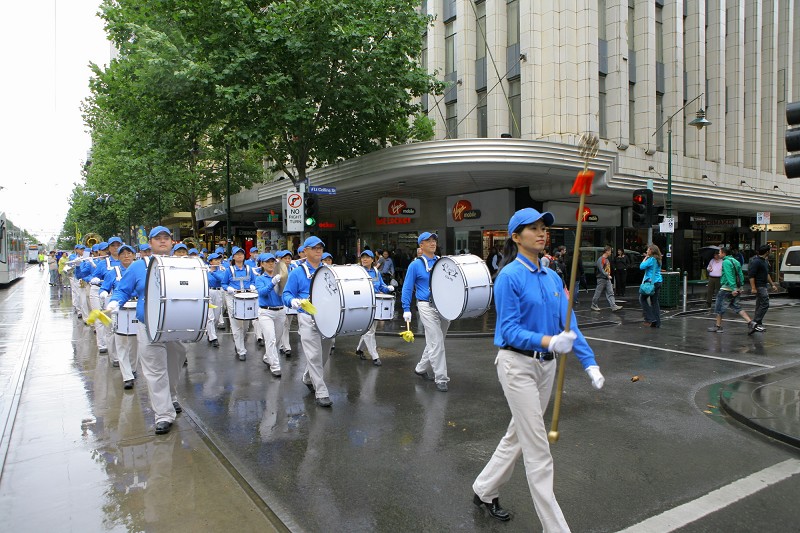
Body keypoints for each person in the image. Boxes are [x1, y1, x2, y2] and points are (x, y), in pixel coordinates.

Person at [471, 208, 604, 528]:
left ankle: (484, 489)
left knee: (519, 434)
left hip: (546, 367)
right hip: (516, 365)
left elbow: (569, 323)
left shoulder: (553, 276)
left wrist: (589, 362)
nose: (542, 233)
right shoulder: (509, 276)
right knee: (538, 449)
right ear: (516, 237)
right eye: (533, 228)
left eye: (544, 227)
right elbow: (509, 330)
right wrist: (548, 340)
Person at [106, 226, 185, 435]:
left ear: (172, 242)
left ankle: (171, 396)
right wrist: (115, 302)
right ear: (150, 243)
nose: (162, 241)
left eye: (166, 238)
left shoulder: (181, 264)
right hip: (148, 324)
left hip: (174, 323)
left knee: (175, 362)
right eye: (157, 238)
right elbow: (123, 289)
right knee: (155, 369)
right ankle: (163, 415)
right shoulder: (138, 266)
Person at [283, 236, 334, 407]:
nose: (318, 250)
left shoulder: (328, 270)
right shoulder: (297, 272)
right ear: (305, 251)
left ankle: (307, 377)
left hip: (326, 317)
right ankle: (321, 392)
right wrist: (293, 301)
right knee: (313, 355)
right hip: (307, 317)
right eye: (314, 248)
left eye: (320, 248)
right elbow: (286, 294)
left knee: (325, 353)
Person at [402, 232, 451, 392]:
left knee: (436, 340)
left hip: (443, 306)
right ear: (421, 245)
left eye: (434, 240)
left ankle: (421, 368)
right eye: (428, 240)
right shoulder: (415, 265)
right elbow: (407, 287)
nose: (432, 243)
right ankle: (441, 378)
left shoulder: (441, 262)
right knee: (436, 341)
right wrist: (406, 308)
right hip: (426, 305)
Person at [99, 244, 138, 388]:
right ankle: (127, 376)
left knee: (134, 343)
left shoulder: (140, 270)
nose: (126, 256)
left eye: (129, 253)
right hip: (119, 309)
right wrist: (104, 294)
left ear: (134, 255)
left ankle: (132, 369)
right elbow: (104, 288)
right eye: (123, 254)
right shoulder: (113, 272)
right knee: (121, 343)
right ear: (119, 257)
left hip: (136, 309)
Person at [355, 250, 394, 366]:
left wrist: (388, 288)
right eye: (363, 257)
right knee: (370, 330)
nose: (364, 259)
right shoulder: (358, 271)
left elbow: (381, 286)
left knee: (370, 329)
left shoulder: (376, 272)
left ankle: (359, 350)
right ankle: (375, 356)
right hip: (363, 302)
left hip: (375, 302)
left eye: (367, 257)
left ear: (372, 260)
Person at [707, 248, 757, 334]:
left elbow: (729, 275)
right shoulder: (736, 261)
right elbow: (740, 274)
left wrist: (733, 288)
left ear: (724, 253)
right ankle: (750, 322)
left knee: (719, 307)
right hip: (736, 288)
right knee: (735, 306)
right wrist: (741, 286)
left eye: (719, 252)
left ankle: (718, 326)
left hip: (726, 288)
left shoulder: (726, 262)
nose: (718, 254)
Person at [221, 246, 257, 361]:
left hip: (246, 297)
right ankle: (241, 350)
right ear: (233, 257)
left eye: (241, 254)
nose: (239, 256)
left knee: (246, 324)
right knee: (236, 323)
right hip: (232, 297)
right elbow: (224, 283)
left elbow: (254, 280)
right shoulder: (229, 270)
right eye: (237, 254)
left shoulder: (249, 269)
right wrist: (228, 288)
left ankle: (239, 342)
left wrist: (253, 285)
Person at [255, 253, 284, 377]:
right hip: (266, 312)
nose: (271, 264)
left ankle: (268, 357)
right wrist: (272, 282)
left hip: (280, 311)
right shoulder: (260, 279)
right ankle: (275, 366)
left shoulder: (281, 276)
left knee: (277, 339)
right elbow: (262, 292)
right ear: (262, 264)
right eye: (267, 262)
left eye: (272, 261)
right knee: (270, 339)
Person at [748, 244, 778, 333]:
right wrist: (753, 288)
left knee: (759, 304)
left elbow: (767, 274)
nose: (771, 251)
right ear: (767, 252)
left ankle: (757, 324)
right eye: (770, 250)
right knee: (765, 303)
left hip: (763, 285)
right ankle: (755, 322)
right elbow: (751, 275)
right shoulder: (756, 261)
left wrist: (772, 284)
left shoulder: (764, 261)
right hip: (759, 286)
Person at [639, 245, 664, 327]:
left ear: (652, 251)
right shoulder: (658, 259)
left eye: (648, 250)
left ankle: (650, 318)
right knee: (654, 301)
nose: (647, 251)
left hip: (651, 283)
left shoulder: (651, 259)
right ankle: (657, 322)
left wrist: (645, 258)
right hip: (658, 281)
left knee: (642, 299)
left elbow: (641, 267)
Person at [591, 246, 622, 311]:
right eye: (610, 251)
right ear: (607, 251)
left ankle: (613, 306)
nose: (611, 252)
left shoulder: (607, 260)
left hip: (607, 279)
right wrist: (607, 275)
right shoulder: (601, 259)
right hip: (601, 279)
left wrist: (608, 276)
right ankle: (594, 305)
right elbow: (601, 269)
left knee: (610, 292)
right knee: (598, 293)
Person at [205, 253, 223, 348]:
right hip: (208, 292)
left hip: (218, 292)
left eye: (218, 260)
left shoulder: (221, 270)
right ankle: (213, 338)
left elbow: (222, 279)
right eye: (215, 260)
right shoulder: (205, 270)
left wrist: (212, 273)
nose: (218, 261)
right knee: (210, 316)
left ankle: (211, 332)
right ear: (211, 262)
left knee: (216, 315)